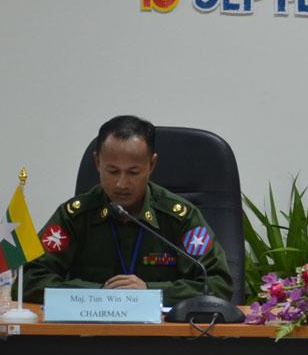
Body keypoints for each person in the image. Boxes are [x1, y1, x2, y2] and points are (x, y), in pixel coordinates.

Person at [24, 116, 232, 305]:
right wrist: (98, 294)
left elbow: (218, 283)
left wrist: (151, 292)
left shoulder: (180, 217)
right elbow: (29, 279)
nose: (121, 183)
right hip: (90, 329)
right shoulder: (76, 216)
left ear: (152, 164)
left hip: (162, 332)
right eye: (112, 171)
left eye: (133, 172)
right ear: (97, 162)